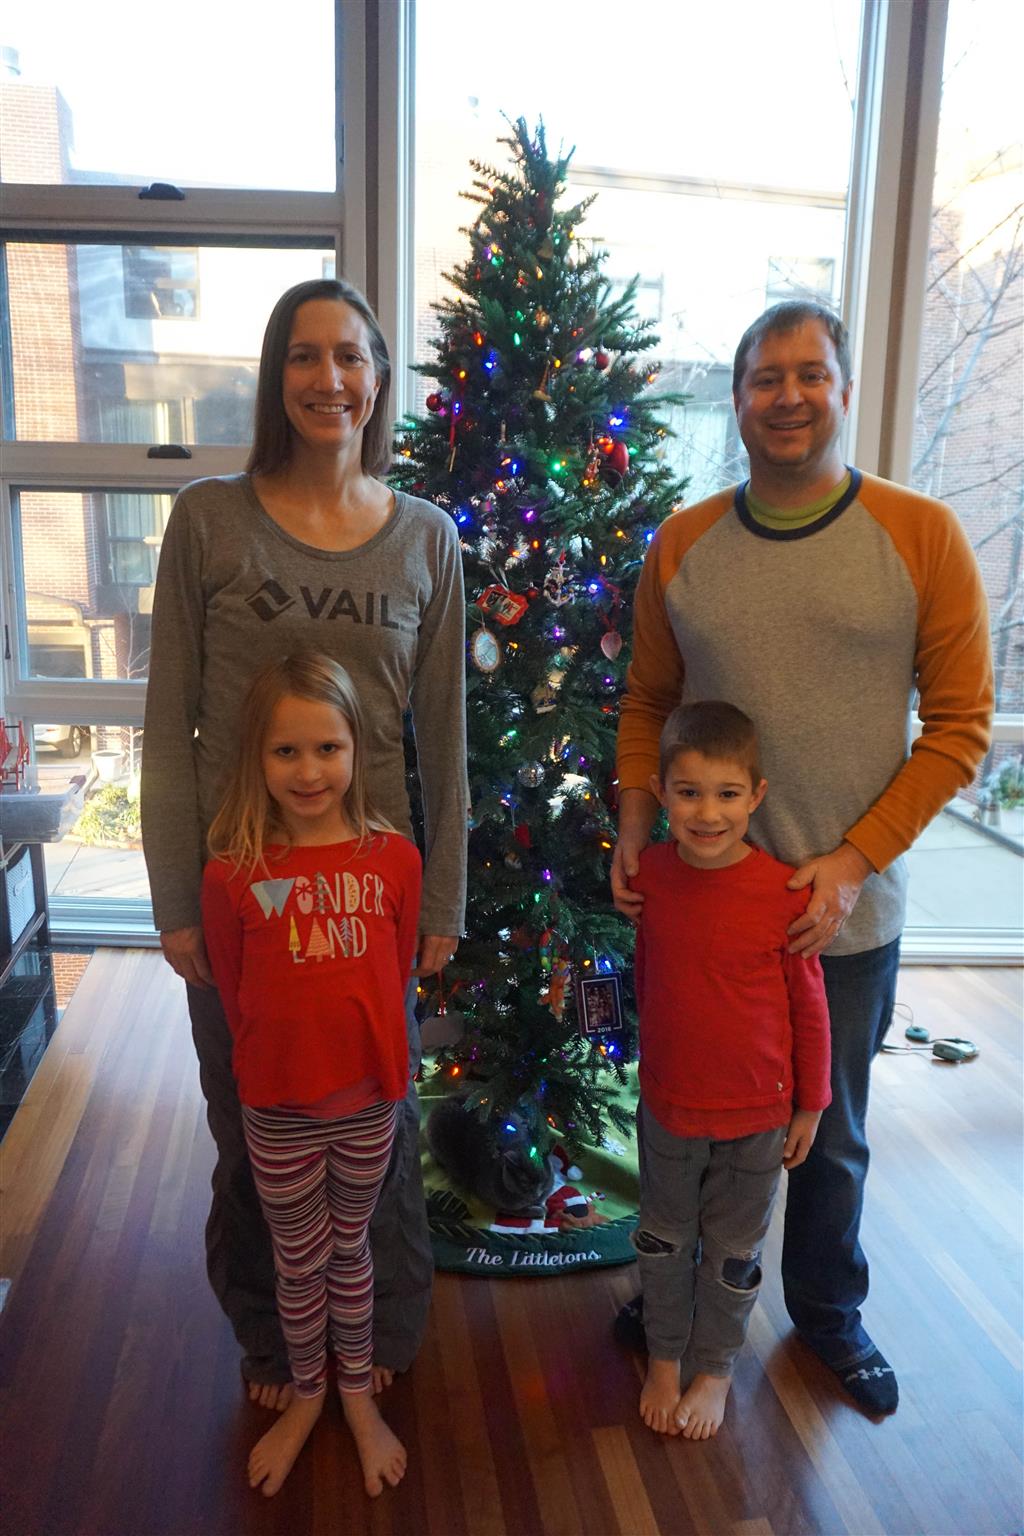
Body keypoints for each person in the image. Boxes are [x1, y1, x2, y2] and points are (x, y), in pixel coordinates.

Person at [613, 300, 993, 1416]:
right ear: (736, 399)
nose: (788, 396)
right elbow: (645, 701)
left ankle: (826, 1313)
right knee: (686, 1120)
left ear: (842, 388)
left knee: (826, 1135)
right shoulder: (683, 544)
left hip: (843, 912)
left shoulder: (921, 534)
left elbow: (961, 726)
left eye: (809, 374)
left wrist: (854, 859)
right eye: (765, 377)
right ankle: (677, 1303)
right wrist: (632, 824)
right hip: (697, 910)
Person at [141, 277, 467, 1411]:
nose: (329, 378)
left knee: (381, 1131)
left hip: (370, 906)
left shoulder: (427, 538)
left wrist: (442, 904)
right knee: (254, 1134)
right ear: (276, 375)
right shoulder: (210, 520)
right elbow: (169, 723)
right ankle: (274, 1347)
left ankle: (380, 1337)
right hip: (245, 900)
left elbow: (444, 742)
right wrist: (174, 900)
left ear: (378, 379)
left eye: (351, 356)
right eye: (304, 355)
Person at [202, 652, 418, 1497]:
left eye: (327, 748)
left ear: (357, 748)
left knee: (350, 1248)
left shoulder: (394, 860)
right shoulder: (234, 872)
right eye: (286, 751)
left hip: (367, 1103)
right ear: (257, 758)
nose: (308, 771)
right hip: (278, 1108)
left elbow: (395, 973)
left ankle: (356, 1393)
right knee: (298, 1263)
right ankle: (307, 1391)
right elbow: (234, 991)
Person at [632, 701, 831, 1441]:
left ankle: (715, 1368)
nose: (707, 813)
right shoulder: (651, 875)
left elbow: (810, 1010)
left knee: (731, 1253)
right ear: (662, 792)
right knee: (663, 1239)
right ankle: (663, 1357)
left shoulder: (785, 894)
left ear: (756, 796)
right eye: (688, 793)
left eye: (726, 794)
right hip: (670, 1107)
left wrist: (811, 1105)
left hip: (758, 1118)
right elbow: (648, 976)